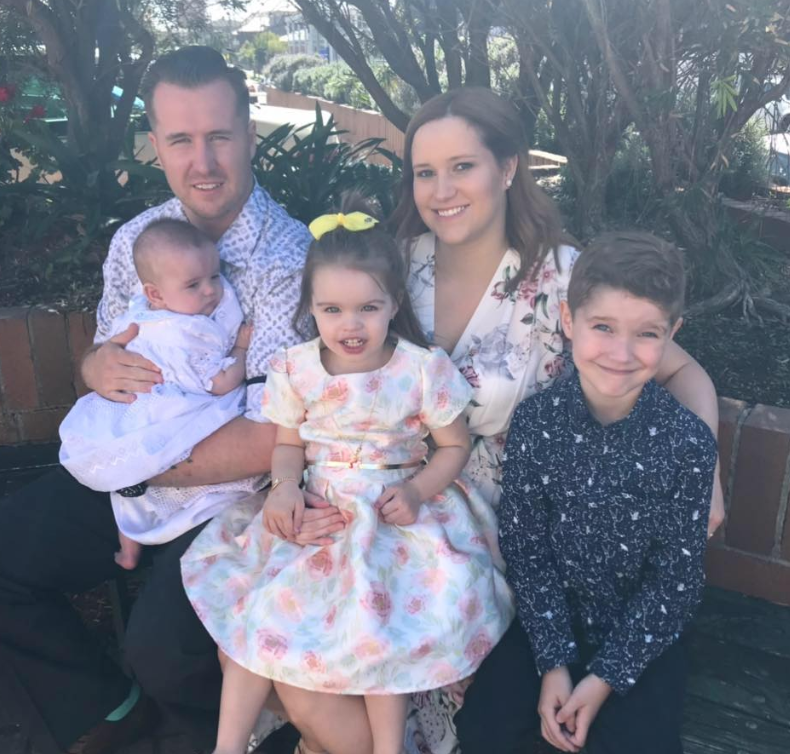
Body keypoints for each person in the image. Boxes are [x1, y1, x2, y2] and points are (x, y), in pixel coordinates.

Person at [271, 87, 725, 754]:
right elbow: (314, 359)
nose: (441, 189)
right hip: (379, 498)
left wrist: (706, 468)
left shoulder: (560, 278)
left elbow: (683, 372)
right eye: (425, 172)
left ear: (508, 167)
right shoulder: (395, 259)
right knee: (296, 662)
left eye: (463, 166)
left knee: (372, 659)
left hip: (506, 520)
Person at [0, 46, 338, 754]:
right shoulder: (135, 242)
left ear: (249, 134)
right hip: (132, 465)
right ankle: (108, 712)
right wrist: (95, 366)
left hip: (232, 492)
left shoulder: (291, 259)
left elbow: (267, 435)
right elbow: (109, 357)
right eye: (181, 139)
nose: (203, 161)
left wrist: (133, 465)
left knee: (166, 649)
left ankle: (221, 737)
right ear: (154, 145)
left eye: (218, 136)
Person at [180, 198, 513, 754]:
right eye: (331, 309)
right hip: (320, 506)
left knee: (379, 623)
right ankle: (227, 746)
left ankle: (388, 748)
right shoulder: (296, 367)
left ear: (394, 304)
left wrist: (417, 490)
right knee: (258, 611)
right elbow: (288, 442)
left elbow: (454, 445)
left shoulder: (419, 368)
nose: (350, 325)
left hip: (394, 512)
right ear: (311, 306)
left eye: (367, 308)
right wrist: (285, 487)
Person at [485, 230, 717, 754]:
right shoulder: (537, 423)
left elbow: (675, 583)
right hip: (548, 622)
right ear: (569, 323)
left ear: (673, 332)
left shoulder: (688, 445)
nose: (622, 352)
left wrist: (604, 677)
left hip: (642, 636)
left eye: (647, 333)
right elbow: (526, 546)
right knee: (488, 728)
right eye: (603, 327)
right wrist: (554, 665)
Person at [59, 219, 256, 571]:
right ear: (155, 294)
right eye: (194, 285)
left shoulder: (141, 314)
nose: (211, 291)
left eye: (214, 276)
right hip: (161, 413)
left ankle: (130, 546)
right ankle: (143, 540)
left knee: (127, 488)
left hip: (134, 422)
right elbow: (221, 383)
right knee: (150, 477)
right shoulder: (185, 333)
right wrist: (241, 348)